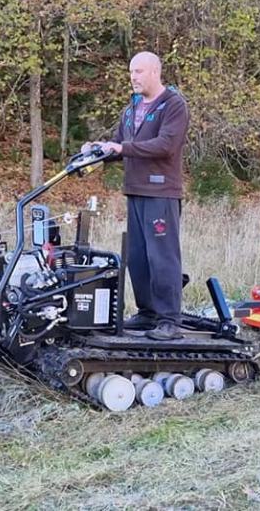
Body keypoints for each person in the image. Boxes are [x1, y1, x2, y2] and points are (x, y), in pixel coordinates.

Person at [81, 51, 189, 341]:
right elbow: (120, 144)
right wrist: (98, 150)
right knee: (138, 257)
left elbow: (165, 145)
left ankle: (169, 320)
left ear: (155, 71)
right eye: (131, 72)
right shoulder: (132, 108)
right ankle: (147, 312)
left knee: (162, 257)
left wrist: (122, 148)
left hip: (161, 192)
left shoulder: (173, 105)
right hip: (135, 190)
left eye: (138, 71)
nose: (133, 77)